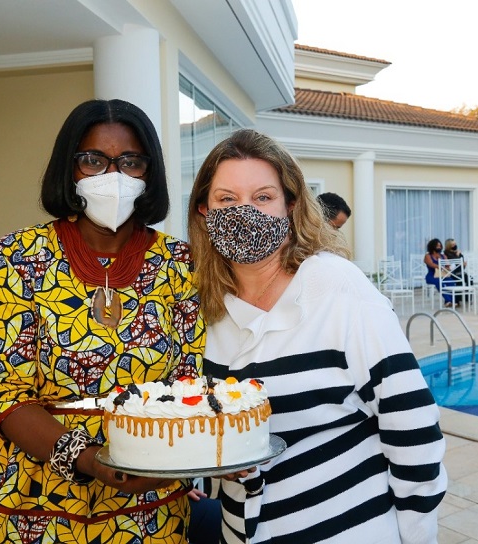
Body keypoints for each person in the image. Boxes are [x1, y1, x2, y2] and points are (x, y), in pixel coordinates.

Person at [187, 129, 447, 543]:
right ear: (204, 210)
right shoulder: (204, 306)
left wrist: (419, 536)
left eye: (263, 197)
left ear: (290, 205)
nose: (245, 212)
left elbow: (412, 426)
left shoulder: (338, 288)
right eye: (227, 199)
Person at [0, 99, 207, 544]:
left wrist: (181, 462)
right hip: (42, 498)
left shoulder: (180, 263)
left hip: (152, 494)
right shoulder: (17, 258)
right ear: (70, 167)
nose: (113, 175)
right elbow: (3, 392)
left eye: (130, 162)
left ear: (149, 172)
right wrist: (90, 459)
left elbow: (190, 382)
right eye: (93, 160)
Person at [424, 238, 456, 307]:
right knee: (439, 282)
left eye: (440, 246)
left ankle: (450, 301)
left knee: (451, 281)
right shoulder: (428, 256)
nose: (439, 247)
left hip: (442, 275)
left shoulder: (443, 256)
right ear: (432, 246)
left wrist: (448, 267)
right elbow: (431, 264)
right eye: (437, 246)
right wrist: (441, 266)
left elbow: (448, 265)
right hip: (432, 276)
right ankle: (448, 300)